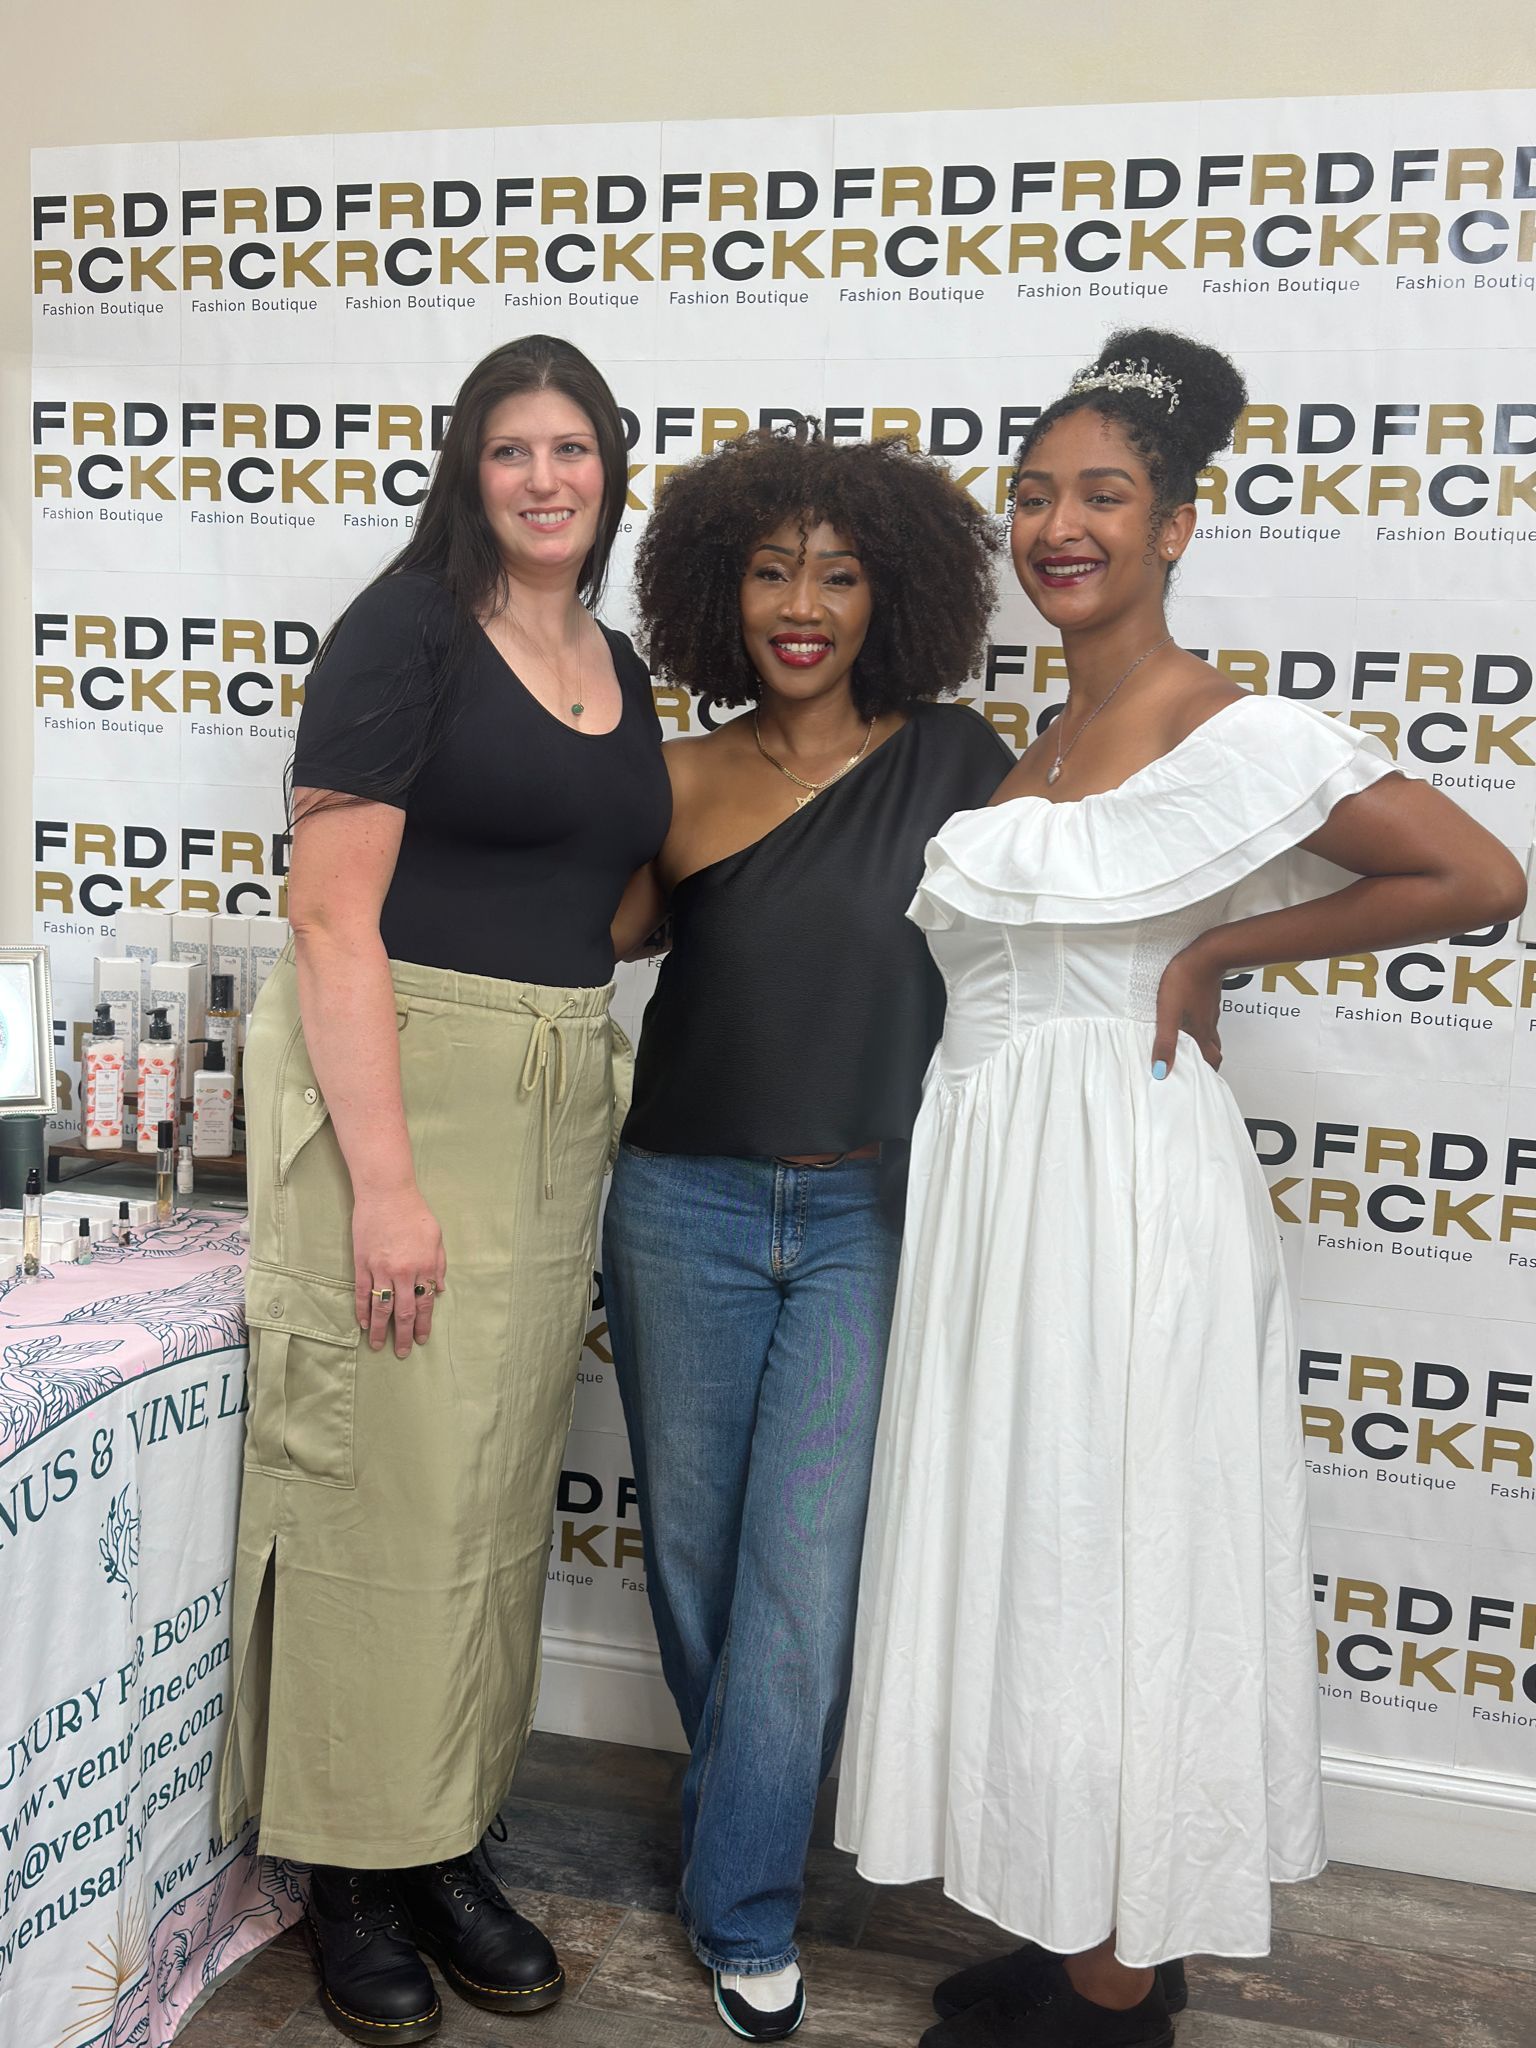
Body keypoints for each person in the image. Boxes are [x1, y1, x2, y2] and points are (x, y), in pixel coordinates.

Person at [834, 327, 1527, 2048]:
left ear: (1175, 528)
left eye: (1103, 497)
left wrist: (1222, 948)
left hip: (1125, 1198)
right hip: (1000, 1197)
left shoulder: (1233, 727)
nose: (1060, 526)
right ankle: (1079, 1917)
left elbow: (1476, 873)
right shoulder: (1036, 748)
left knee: (1119, 1545)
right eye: (1035, 495)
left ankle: (1123, 1987)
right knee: (1037, 1549)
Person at [217, 334, 670, 2047]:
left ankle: (443, 1836)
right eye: (511, 450)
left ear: (612, 467)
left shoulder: (616, 660)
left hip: (552, 1101)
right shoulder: (405, 630)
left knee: (485, 1498)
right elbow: (333, 917)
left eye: (574, 449)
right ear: (468, 473)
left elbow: (608, 891)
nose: (546, 479)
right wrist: (387, 1187)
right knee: (382, 1487)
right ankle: (349, 1866)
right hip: (402, 1090)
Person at [603, 428, 1013, 2042]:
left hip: (866, 1217)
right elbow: (581, 939)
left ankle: (744, 1902)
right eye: (772, 570)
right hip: (680, 1208)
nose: (802, 603)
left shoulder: (960, 759)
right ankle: (747, 1834)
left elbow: (1053, 926)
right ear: (723, 589)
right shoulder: (678, 777)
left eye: (839, 575)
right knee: (699, 1569)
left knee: (802, 1578)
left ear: (889, 596)